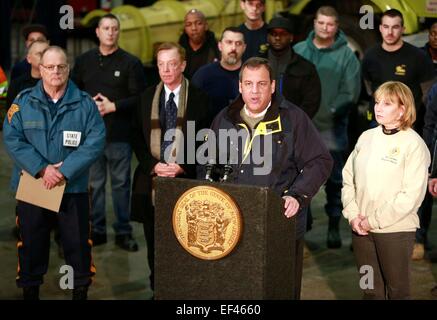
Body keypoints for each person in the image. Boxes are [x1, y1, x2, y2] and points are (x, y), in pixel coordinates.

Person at [208, 57, 333, 299]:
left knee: (278, 289)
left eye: (262, 84)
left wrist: (297, 194)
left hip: (277, 224)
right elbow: (210, 163)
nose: (255, 91)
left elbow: (320, 161)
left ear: (273, 86)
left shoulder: (292, 119)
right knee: (237, 289)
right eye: (249, 84)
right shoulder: (224, 119)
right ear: (240, 86)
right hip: (232, 224)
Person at [2, 46, 106, 300]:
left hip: (73, 188)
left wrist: (65, 171)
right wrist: (42, 169)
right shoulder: (23, 102)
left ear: (68, 69)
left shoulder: (84, 104)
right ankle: (30, 290)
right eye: (50, 67)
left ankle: (79, 291)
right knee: (31, 244)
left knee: (78, 245)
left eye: (61, 66)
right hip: (34, 186)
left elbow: (96, 139)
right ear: (40, 69)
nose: (56, 71)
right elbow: (12, 137)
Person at [130, 42, 212, 294]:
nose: (166, 69)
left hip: (184, 181)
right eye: (161, 64)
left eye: (172, 63)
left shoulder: (200, 99)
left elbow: (205, 140)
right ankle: (159, 290)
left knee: (185, 241)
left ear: (183, 65)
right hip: (151, 182)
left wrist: (182, 165)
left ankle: (184, 291)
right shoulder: (146, 98)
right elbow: (136, 138)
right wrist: (154, 165)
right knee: (155, 242)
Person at [342, 81, 430, 299]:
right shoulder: (366, 137)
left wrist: (373, 220)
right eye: (377, 102)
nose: (378, 108)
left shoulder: (414, 145)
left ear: (402, 109)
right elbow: (347, 178)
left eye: (387, 103)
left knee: (396, 291)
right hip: (361, 233)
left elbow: (410, 196)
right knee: (369, 288)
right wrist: (353, 216)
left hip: (395, 233)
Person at [362, 9, 435, 259]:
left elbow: (427, 93)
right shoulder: (371, 56)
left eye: (395, 27)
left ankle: (418, 237)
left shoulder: (417, 57)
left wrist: (415, 127)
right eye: (386, 27)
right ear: (380, 28)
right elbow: (369, 88)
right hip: (379, 129)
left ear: (402, 28)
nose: (390, 32)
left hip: (412, 129)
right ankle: (374, 228)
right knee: (378, 182)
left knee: (414, 186)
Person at [71, 14, 146, 251]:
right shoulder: (84, 61)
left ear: (118, 32)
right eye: (106, 28)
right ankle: (98, 230)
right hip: (91, 138)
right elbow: (72, 91)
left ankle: (123, 231)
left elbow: (140, 97)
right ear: (97, 32)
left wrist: (113, 106)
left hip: (119, 136)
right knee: (94, 184)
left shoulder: (130, 63)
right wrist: (88, 104)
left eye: (114, 28)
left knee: (121, 185)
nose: (110, 32)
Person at [294, 6, 361, 248]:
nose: (325, 27)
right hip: (302, 129)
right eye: (321, 23)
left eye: (330, 24)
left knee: (334, 179)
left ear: (336, 26)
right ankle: (303, 224)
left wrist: (331, 111)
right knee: (300, 178)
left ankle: (333, 224)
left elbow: (350, 93)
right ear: (314, 23)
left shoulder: (347, 56)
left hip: (332, 128)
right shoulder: (299, 51)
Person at [261, 16, 321, 118]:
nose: (277, 38)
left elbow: (311, 103)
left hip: (294, 127)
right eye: (273, 34)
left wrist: (295, 122)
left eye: (283, 34)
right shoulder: (255, 65)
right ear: (268, 37)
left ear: (291, 37)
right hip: (259, 125)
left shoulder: (306, 68)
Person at [192, 27, 246, 117]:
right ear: (220, 46)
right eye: (229, 42)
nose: (233, 48)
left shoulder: (253, 75)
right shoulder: (203, 75)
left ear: (244, 47)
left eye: (238, 43)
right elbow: (192, 112)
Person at [7, 40, 49, 109]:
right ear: (29, 58)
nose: (44, 57)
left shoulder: (57, 82)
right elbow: (11, 115)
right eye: (39, 54)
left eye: (47, 54)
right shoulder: (17, 85)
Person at [178, 9, 220, 79]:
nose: (194, 28)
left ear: (206, 26)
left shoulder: (216, 49)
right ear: (185, 29)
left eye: (198, 23)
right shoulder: (179, 51)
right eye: (189, 24)